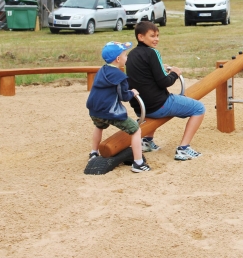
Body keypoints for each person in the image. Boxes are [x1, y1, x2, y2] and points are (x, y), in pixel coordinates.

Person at [126, 21, 206, 161]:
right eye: (152, 36)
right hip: (159, 106)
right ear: (141, 37)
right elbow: (164, 82)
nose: (156, 39)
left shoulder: (131, 55)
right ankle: (184, 149)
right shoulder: (152, 52)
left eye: (157, 35)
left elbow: (144, 73)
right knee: (199, 108)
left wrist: (160, 67)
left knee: (153, 96)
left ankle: (147, 141)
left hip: (141, 108)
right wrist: (175, 73)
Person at [86, 41, 151, 173]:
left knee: (99, 126)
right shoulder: (120, 76)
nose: (126, 57)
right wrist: (132, 93)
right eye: (125, 55)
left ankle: (93, 152)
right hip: (110, 112)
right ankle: (138, 163)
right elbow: (124, 96)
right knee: (135, 130)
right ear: (118, 59)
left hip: (95, 110)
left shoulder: (102, 70)